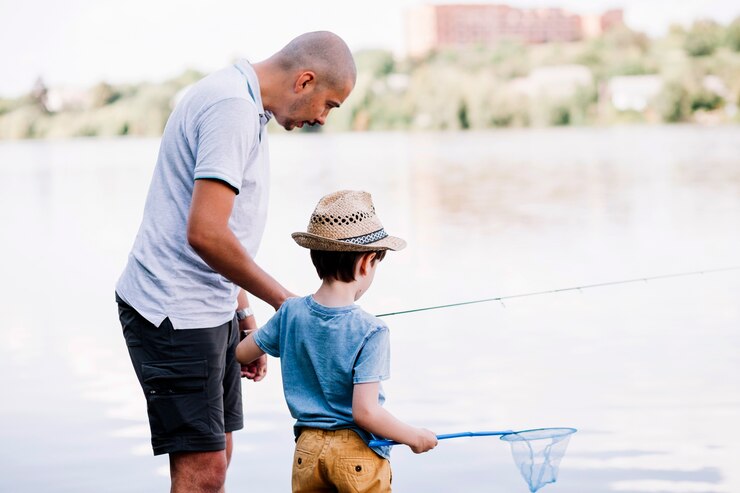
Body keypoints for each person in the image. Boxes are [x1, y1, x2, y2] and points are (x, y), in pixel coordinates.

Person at [115, 31, 356, 493]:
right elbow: (204, 233)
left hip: (208, 304)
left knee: (218, 458)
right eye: (328, 105)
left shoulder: (241, 100)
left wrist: (244, 313)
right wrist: (289, 304)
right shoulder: (232, 109)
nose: (322, 118)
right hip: (173, 311)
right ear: (304, 81)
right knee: (203, 473)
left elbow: (226, 233)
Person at [236, 190, 438, 493]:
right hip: (354, 454)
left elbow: (241, 353)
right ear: (366, 263)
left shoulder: (290, 313)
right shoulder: (372, 330)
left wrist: (261, 334)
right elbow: (365, 412)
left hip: (307, 452)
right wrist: (413, 436)